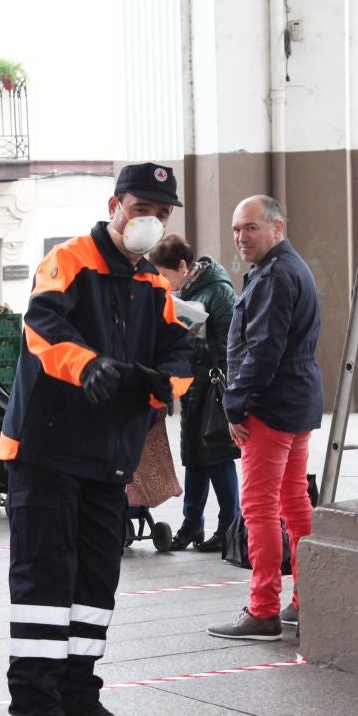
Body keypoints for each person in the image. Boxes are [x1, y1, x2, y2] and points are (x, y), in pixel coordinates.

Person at [0, 162, 193, 716]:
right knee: (45, 585)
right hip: (48, 452)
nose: (151, 221)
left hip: (108, 459)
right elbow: (42, 325)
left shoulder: (152, 284)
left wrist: (164, 386)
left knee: (93, 589)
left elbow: (179, 353)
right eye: (141, 208)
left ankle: (79, 698)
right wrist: (90, 366)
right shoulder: (69, 261)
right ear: (115, 205)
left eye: (161, 213)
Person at [206, 196, 320, 642]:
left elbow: (263, 351)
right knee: (294, 503)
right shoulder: (290, 268)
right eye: (237, 229)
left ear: (277, 227)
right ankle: (307, 598)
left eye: (250, 228)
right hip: (296, 400)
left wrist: (235, 404)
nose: (241, 237)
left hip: (270, 406)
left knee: (259, 507)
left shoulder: (276, 276)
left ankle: (263, 609)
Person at [148, 234, 240, 553]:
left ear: (184, 266)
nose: (162, 282)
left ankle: (230, 526)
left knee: (218, 455)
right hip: (192, 385)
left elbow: (228, 346)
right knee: (195, 458)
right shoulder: (184, 291)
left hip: (213, 386)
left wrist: (188, 343)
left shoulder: (218, 290)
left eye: (164, 274)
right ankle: (192, 524)